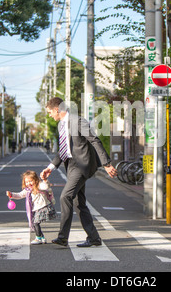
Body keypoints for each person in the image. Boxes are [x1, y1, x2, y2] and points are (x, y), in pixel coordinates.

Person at [40, 97, 117, 247]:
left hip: (82, 165)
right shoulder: (61, 125)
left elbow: (94, 140)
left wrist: (106, 164)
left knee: (65, 196)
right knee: (78, 203)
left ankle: (63, 237)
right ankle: (94, 237)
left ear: (57, 109)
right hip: (71, 166)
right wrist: (50, 168)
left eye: (50, 112)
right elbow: (63, 151)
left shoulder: (77, 121)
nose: (50, 115)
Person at [6, 170, 56, 245]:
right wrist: (11, 194)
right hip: (36, 209)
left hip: (44, 207)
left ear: (36, 180)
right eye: (27, 182)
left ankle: (38, 238)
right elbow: (20, 195)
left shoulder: (39, 186)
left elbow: (45, 186)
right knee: (35, 223)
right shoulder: (28, 190)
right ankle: (42, 237)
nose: (29, 183)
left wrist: (45, 180)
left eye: (31, 181)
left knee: (36, 222)